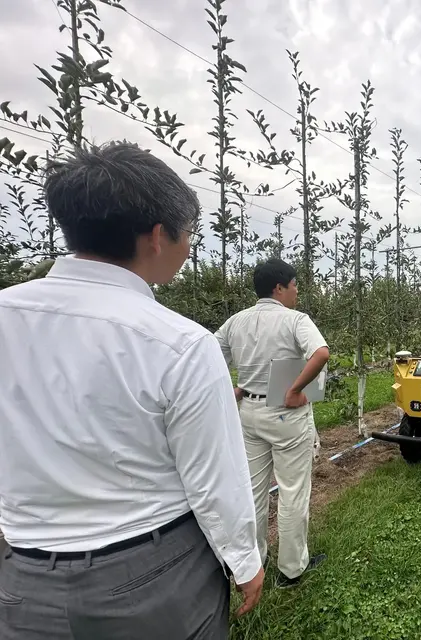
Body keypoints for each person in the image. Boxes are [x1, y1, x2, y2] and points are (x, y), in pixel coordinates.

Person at [0, 142, 263, 639]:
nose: (190, 247)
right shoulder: (180, 342)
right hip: (154, 574)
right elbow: (213, 481)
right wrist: (244, 560)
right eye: (190, 233)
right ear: (158, 236)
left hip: (23, 577)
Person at [215, 258, 330, 589]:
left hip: (249, 413)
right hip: (285, 413)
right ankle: (291, 570)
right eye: (294, 285)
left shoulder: (235, 322)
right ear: (279, 288)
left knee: (253, 491)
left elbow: (208, 356)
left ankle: (255, 561)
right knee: (293, 491)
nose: (296, 291)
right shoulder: (295, 320)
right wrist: (295, 390)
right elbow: (321, 353)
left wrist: (236, 387)